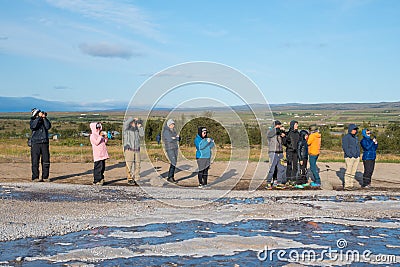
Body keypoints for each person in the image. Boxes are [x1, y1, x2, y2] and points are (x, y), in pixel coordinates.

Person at [30, 108, 52, 182]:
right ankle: (35, 177)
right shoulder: (32, 121)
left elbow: (48, 126)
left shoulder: (44, 120)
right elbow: (34, 126)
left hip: (44, 142)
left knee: (46, 160)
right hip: (35, 143)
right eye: (39, 113)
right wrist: (39, 118)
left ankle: (45, 177)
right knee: (35, 161)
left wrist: (44, 118)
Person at [123, 117, 144, 186]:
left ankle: (137, 178)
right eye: (133, 122)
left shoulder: (137, 130)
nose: (134, 123)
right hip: (129, 149)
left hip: (137, 149)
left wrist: (140, 127)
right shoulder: (126, 130)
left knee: (138, 164)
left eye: (135, 122)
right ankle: (130, 178)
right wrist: (132, 118)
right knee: (129, 164)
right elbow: (125, 123)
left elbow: (142, 134)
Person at [265, 120, 286, 189]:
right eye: (278, 125)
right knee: (272, 168)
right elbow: (270, 134)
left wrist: (283, 134)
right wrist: (278, 129)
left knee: (281, 168)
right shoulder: (270, 132)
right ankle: (268, 182)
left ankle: (278, 182)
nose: (279, 127)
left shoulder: (279, 133)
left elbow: (284, 141)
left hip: (280, 152)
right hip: (273, 152)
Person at [342, 124, 360, 190]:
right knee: (348, 170)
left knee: (353, 171)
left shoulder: (356, 137)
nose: (355, 131)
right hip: (349, 157)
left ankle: (351, 184)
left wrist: (358, 154)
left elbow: (357, 146)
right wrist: (349, 155)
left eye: (356, 130)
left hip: (356, 157)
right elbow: (345, 147)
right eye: (354, 129)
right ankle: (347, 185)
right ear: (350, 130)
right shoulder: (346, 137)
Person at [162, 119, 179, 183]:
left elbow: (178, 138)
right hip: (170, 148)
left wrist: (174, 137)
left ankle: (171, 176)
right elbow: (169, 139)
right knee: (173, 162)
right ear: (169, 125)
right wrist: (175, 138)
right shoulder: (166, 131)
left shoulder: (173, 131)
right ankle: (170, 177)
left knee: (174, 163)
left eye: (173, 124)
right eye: (172, 124)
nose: (173, 125)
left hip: (175, 148)